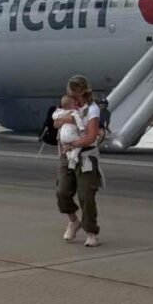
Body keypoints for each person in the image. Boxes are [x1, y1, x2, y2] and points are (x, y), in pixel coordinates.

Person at [53, 75, 104, 247]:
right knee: (62, 192)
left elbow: (90, 136)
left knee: (86, 196)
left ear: (82, 93)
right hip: (66, 155)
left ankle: (91, 232)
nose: (72, 97)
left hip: (85, 156)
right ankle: (74, 221)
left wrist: (73, 143)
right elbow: (55, 122)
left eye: (74, 94)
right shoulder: (69, 105)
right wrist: (66, 119)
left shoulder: (92, 109)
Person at [52, 95, 86, 169]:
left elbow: (56, 120)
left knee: (66, 150)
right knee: (79, 143)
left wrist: (62, 118)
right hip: (72, 135)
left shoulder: (60, 112)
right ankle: (72, 157)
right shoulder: (74, 111)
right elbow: (56, 124)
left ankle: (70, 157)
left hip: (64, 137)